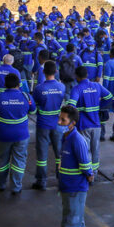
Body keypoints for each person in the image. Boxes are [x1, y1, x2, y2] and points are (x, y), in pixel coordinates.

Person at [49, 106, 95, 227]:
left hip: (75, 189)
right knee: (77, 221)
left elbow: (86, 165)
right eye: (59, 119)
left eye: (63, 120)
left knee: (70, 225)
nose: (59, 122)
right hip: (67, 188)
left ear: (72, 123)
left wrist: (89, 176)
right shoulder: (65, 137)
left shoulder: (77, 140)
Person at [0, 72, 36, 194]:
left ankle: (0, 184)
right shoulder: (26, 96)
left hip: (2, 135)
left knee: (2, 160)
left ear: (5, 84)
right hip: (21, 135)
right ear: (19, 84)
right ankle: (16, 187)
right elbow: (33, 111)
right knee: (19, 161)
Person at [29, 60, 66, 190]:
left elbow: (33, 107)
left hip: (43, 123)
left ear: (43, 72)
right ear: (56, 71)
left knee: (42, 154)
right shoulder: (61, 87)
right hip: (58, 123)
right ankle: (61, 178)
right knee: (59, 153)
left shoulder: (39, 88)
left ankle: (41, 181)